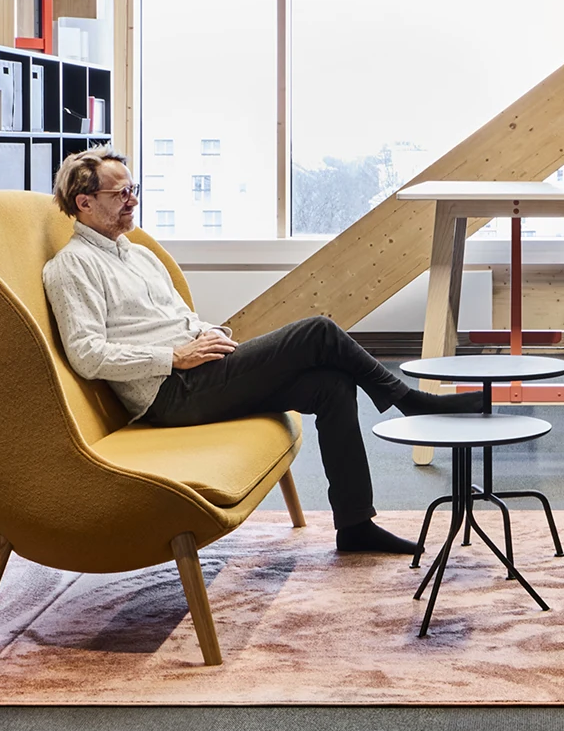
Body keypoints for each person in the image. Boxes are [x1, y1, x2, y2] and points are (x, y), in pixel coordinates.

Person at [40, 148, 469, 555]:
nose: (133, 201)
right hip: (168, 392)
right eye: (120, 194)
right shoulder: (72, 267)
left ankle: (355, 525)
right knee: (317, 331)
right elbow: (86, 354)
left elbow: (180, 318)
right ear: (84, 202)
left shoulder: (140, 256)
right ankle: (409, 401)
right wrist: (174, 358)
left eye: (133, 190)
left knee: (331, 385)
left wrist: (212, 336)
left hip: (200, 371)